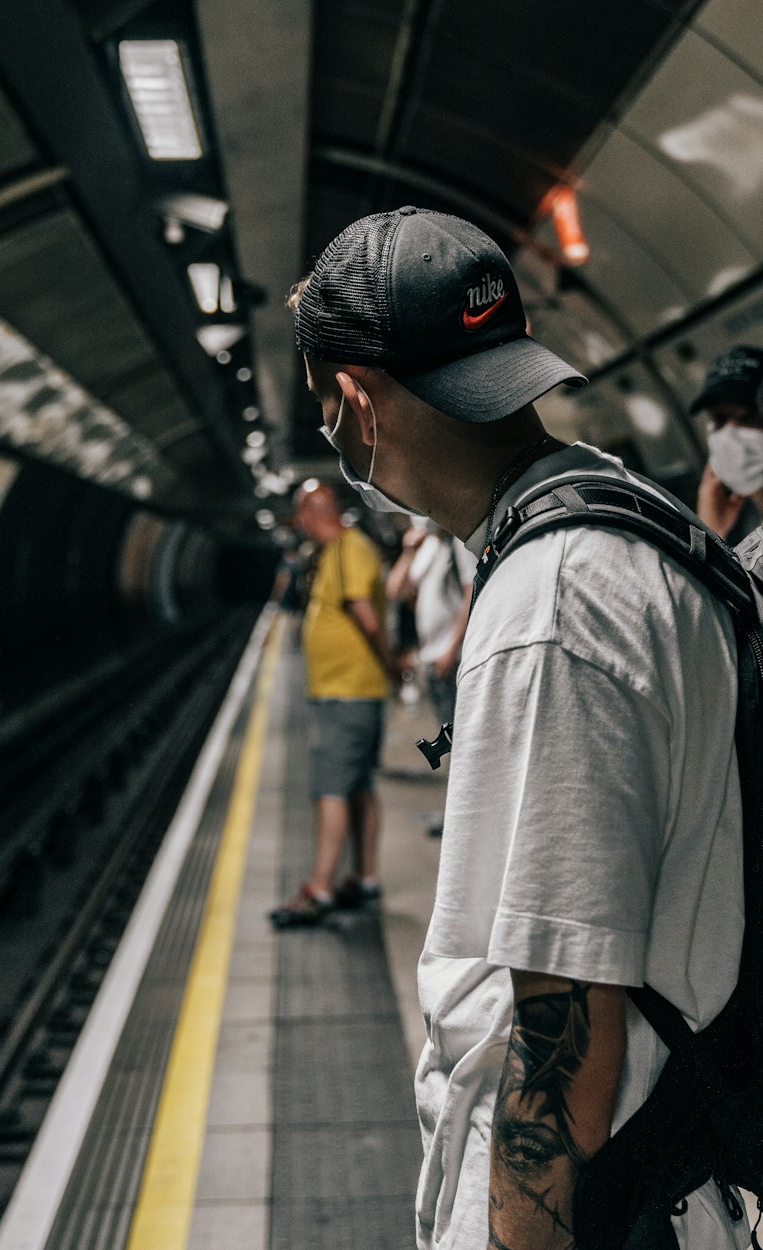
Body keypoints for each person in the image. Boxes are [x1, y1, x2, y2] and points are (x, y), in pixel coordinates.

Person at [287, 206, 743, 1249]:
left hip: (609, 1198)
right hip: (670, 1161)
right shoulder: (618, 505)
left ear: (357, 402)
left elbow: (565, 1050)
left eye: (323, 403)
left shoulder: (549, 607)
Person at [269, 479, 395, 927]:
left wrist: (391, 665)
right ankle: (364, 878)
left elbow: (365, 614)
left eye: (302, 514)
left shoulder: (349, 550)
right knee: (358, 784)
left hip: (347, 690)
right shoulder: (334, 553)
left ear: (313, 512)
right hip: (346, 689)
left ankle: (321, 887)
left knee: (330, 788)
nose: (300, 523)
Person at [387, 520, 475, 729]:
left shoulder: (459, 545)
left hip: (454, 656)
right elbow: (396, 590)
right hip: (431, 655)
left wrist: (451, 649)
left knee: (458, 729)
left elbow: (470, 593)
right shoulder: (428, 546)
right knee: (445, 726)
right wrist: (409, 551)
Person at [692, 345, 763, 540]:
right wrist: (711, 534)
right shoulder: (749, 529)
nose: (730, 434)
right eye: (719, 419)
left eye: (749, 418)